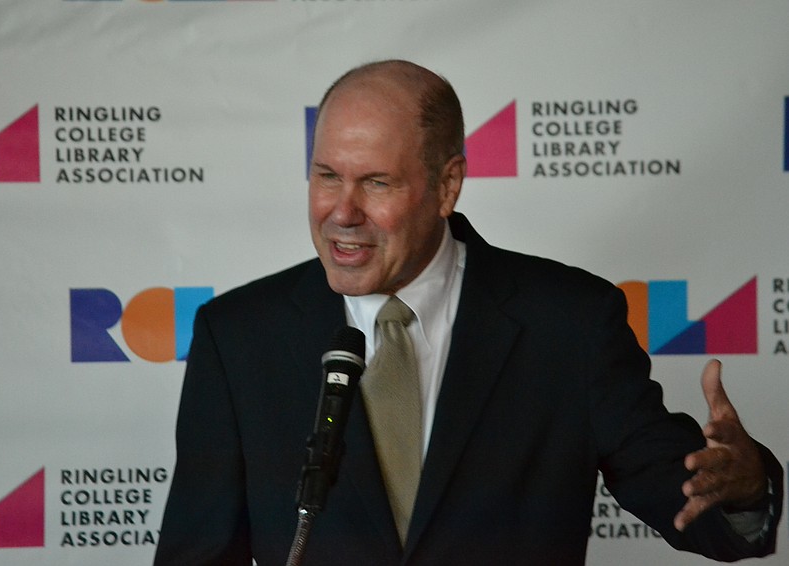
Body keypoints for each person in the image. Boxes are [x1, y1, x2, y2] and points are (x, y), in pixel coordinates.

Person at [154, 60, 782, 565]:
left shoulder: (570, 323)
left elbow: (681, 493)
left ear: (447, 185)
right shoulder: (238, 337)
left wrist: (746, 487)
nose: (341, 212)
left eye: (376, 182)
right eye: (326, 176)